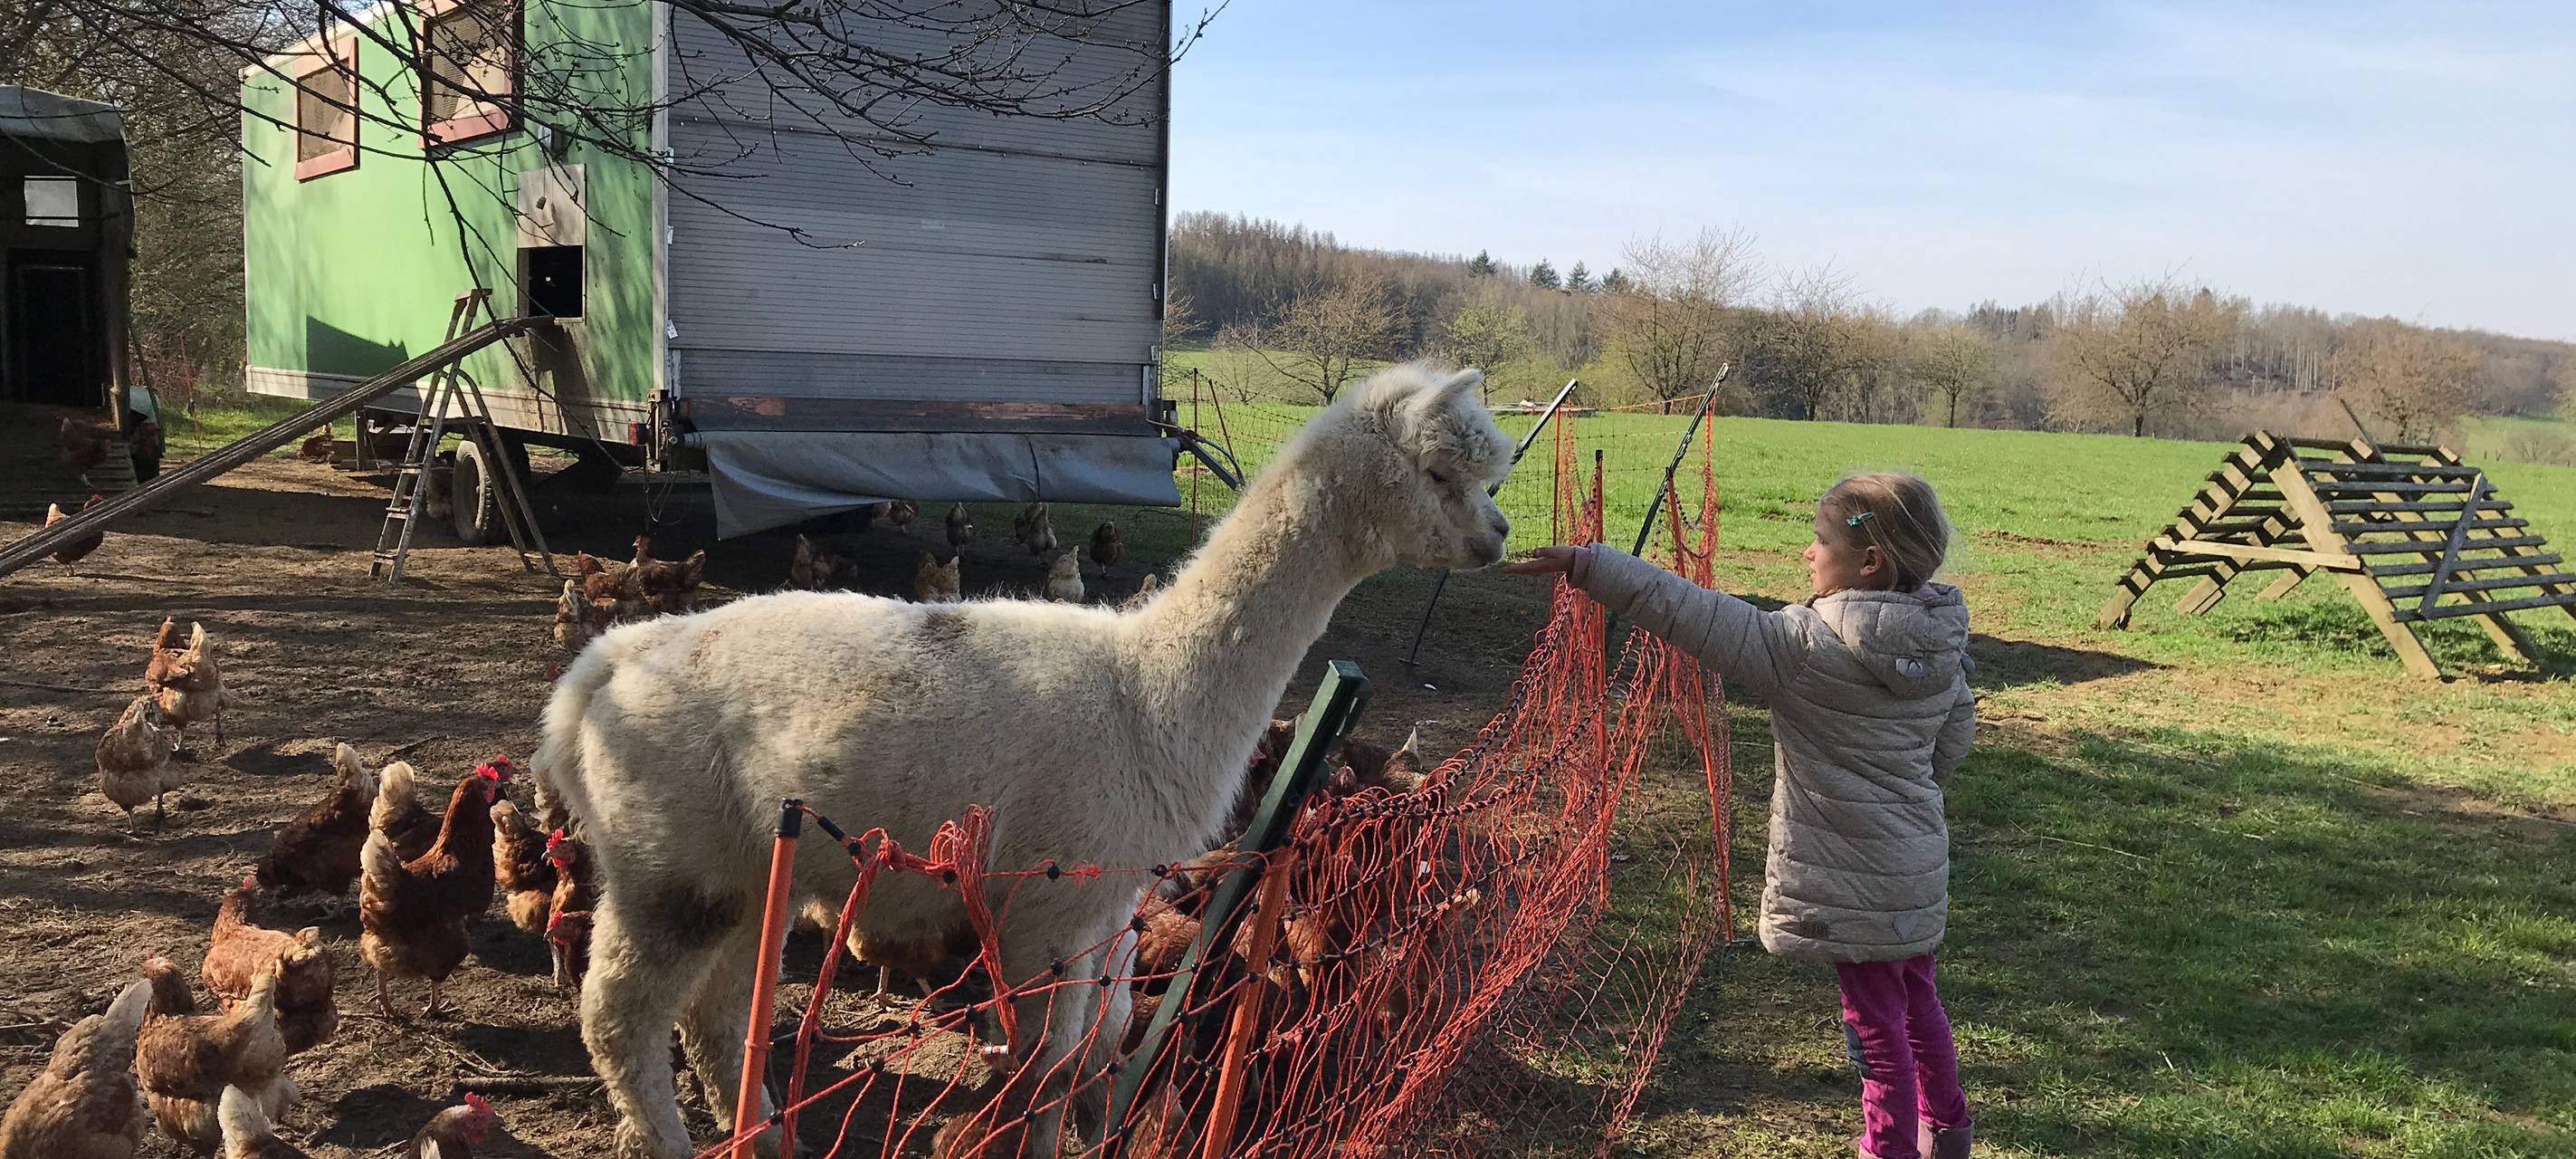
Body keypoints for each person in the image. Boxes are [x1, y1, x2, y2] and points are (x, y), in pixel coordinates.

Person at [1508, 471, 1977, 1159]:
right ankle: (1951, 1130)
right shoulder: (1939, 645)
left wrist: (1590, 564)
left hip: (1853, 881)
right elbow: (1953, 740)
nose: (1808, 555)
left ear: (1868, 561)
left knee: (1875, 1029)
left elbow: (1686, 609)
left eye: (1819, 542)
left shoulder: (1803, 647)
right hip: (1917, 862)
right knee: (1918, 1001)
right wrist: (1907, 795)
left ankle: (1891, 1149)